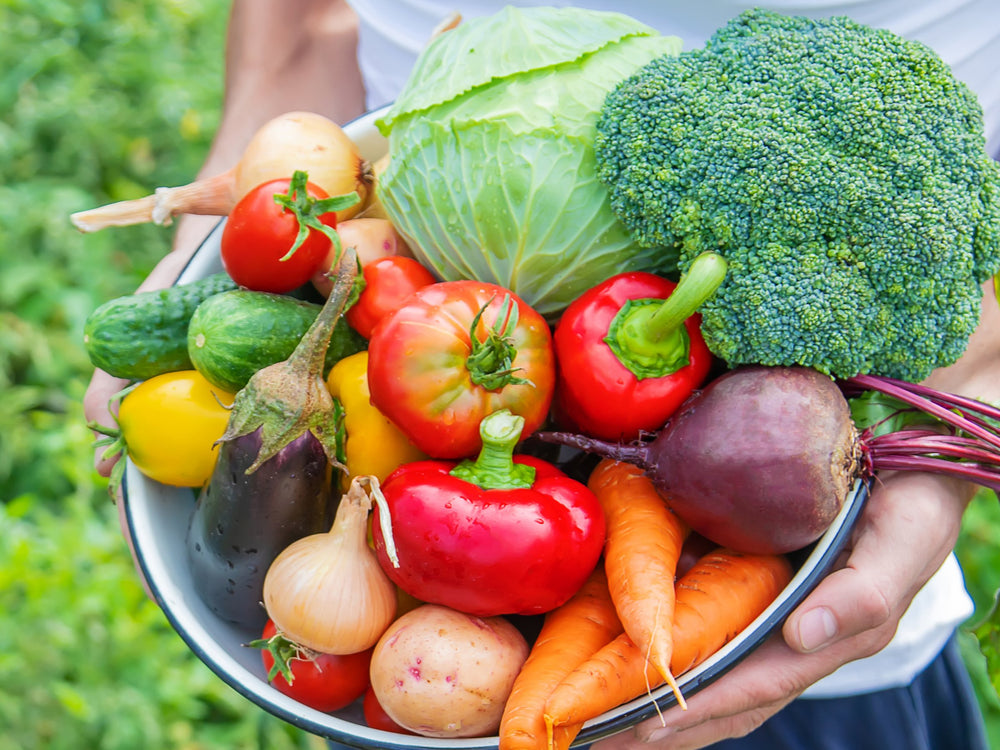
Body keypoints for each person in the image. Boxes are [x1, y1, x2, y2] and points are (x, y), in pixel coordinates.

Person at [83, 2, 1000, 748]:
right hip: (421, 702)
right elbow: (301, 26)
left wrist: (971, 396)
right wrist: (218, 215)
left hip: (825, 650)